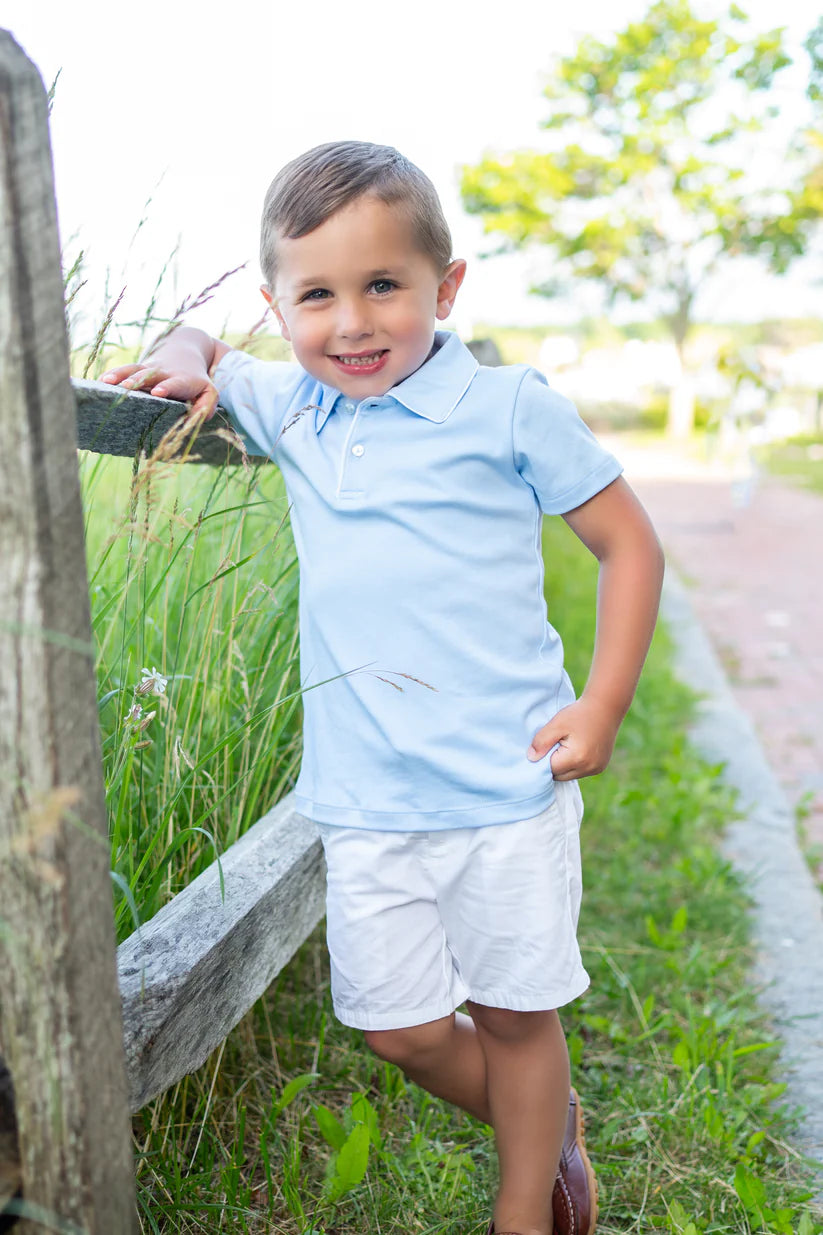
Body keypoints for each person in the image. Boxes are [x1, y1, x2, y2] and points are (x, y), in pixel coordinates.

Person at [101, 141, 664, 1235]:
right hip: (363, 795)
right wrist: (179, 347)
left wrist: (600, 705)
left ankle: (527, 1208)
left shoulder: (506, 406)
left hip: (506, 781)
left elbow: (628, 545)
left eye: (383, 286)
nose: (352, 323)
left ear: (443, 287)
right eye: (317, 295)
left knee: (512, 1011)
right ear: (279, 302)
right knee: (399, 1027)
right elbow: (205, 341)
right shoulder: (295, 405)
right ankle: (546, 1126)